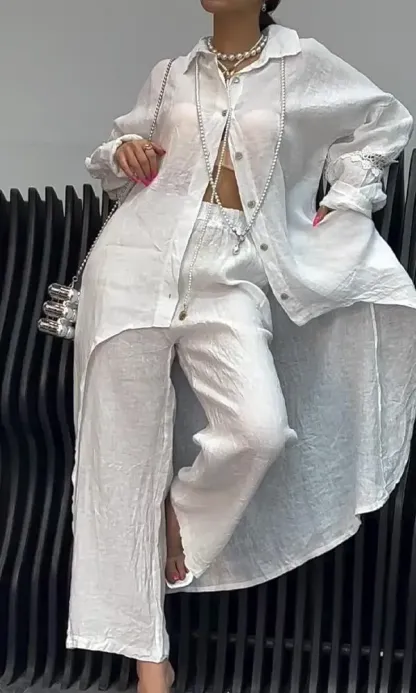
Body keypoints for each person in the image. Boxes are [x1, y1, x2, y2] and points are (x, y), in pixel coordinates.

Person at [66, 0, 416, 691]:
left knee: (257, 428)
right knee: (118, 455)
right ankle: (148, 661)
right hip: (136, 262)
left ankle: (177, 518)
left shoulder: (303, 65)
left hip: (233, 271)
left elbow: (385, 123)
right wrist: (124, 152)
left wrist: (346, 200)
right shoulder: (171, 74)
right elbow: (117, 160)